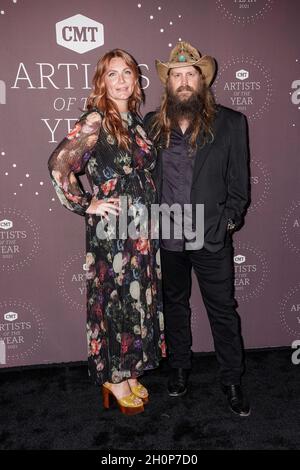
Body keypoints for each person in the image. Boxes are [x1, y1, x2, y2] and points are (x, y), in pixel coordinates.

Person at [48, 49, 166, 416]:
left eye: (127, 72)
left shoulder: (135, 121)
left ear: (136, 80)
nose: (120, 80)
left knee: (136, 298)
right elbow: (58, 165)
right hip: (113, 229)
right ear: (102, 81)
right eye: (112, 74)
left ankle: (129, 371)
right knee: (115, 299)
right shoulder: (96, 119)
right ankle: (113, 377)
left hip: (142, 227)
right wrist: (87, 204)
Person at [144, 41, 251, 416]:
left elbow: (240, 187)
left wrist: (228, 223)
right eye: (177, 75)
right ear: (168, 83)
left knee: (222, 310)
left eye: (191, 74)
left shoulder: (232, 123)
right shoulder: (150, 125)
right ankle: (179, 369)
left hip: (209, 235)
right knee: (174, 306)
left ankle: (233, 380)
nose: (184, 81)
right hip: (168, 235)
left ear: (203, 80)